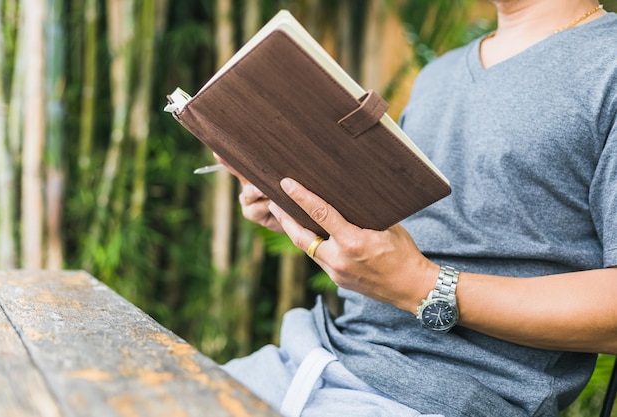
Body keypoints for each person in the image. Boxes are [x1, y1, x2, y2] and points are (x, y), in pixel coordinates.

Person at [220, 1, 617, 416]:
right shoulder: (437, 77)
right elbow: (401, 236)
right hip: (314, 353)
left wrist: (421, 284)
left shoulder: (607, 63)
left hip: (440, 396)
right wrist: (303, 206)